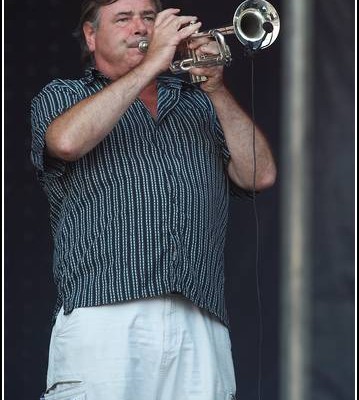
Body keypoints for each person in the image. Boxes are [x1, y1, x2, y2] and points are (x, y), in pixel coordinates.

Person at [31, 0, 276, 399]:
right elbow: (66, 142)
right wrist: (151, 65)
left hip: (200, 316)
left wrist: (215, 88)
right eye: (123, 19)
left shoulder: (199, 103)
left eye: (149, 17)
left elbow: (259, 174)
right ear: (91, 36)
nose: (140, 28)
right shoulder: (64, 96)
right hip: (104, 314)